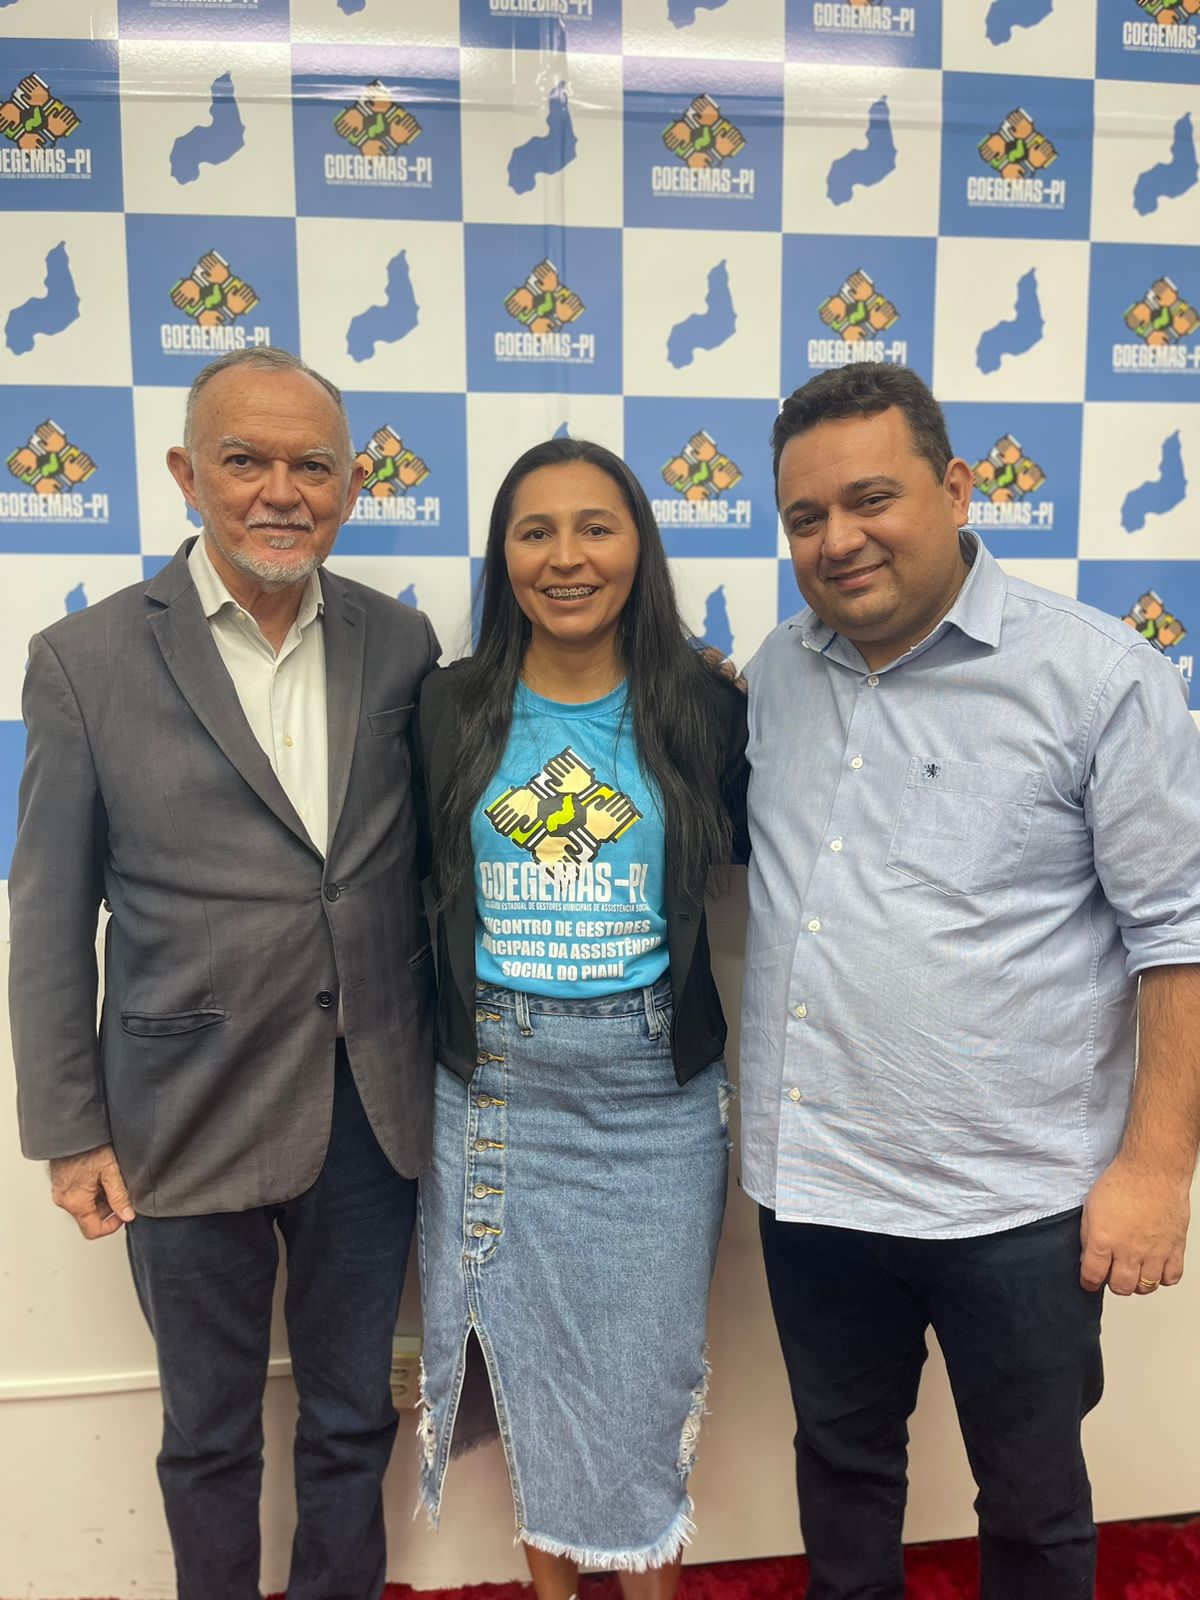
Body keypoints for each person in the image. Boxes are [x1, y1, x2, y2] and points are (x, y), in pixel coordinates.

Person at [741, 362, 1200, 1600]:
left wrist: (1157, 1169)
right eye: (804, 516)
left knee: (1034, 1503)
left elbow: (1180, 932)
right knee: (840, 1475)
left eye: (871, 499)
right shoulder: (777, 673)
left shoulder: (1098, 677)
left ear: (954, 489)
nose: (838, 540)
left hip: (1021, 1206)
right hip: (817, 1188)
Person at [9, 347, 439, 1600]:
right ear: (186, 473)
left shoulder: (400, 641)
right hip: (179, 1111)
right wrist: (69, 1130)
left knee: (354, 1414)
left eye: (314, 465)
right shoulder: (83, 658)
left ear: (351, 486)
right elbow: (49, 913)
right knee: (206, 1433)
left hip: (369, 1102)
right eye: (246, 460)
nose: (281, 491)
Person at [416, 437, 747, 1600]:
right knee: (530, 1375)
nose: (567, 557)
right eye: (536, 530)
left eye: (596, 527)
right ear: (503, 554)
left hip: (656, 1102)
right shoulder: (445, 706)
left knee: (644, 1387)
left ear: (637, 547)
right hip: (495, 1095)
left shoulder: (703, 707)